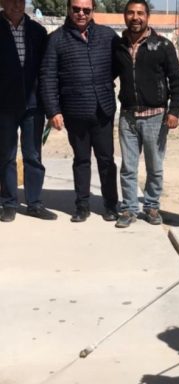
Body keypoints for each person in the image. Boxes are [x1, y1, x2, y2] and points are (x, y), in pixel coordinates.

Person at [40, 0, 118, 223]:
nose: (81, 14)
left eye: (86, 10)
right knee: (81, 160)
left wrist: (99, 85)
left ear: (93, 10)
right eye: (76, 9)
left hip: (103, 109)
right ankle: (82, 205)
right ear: (68, 10)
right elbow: (47, 77)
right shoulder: (56, 39)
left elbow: (116, 65)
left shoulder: (107, 35)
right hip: (75, 111)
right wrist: (53, 110)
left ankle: (111, 205)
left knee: (106, 160)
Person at [112, 0, 179, 229]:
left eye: (140, 13)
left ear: (148, 16)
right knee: (128, 167)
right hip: (128, 117)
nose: (136, 17)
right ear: (125, 16)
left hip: (156, 117)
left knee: (155, 166)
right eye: (131, 13)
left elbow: (177, 82)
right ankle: (130, 209)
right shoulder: (118, 46)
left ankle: (151, 206)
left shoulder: (162, 45)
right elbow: (108, 76)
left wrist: (174, 111)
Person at [0, 0, 57, 222]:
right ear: (3, 3)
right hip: (4, 105)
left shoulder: (37, 31)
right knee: (6, 155)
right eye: (10, 1)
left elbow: (47, 69)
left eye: (20, 1)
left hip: (33, 105)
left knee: (33, 155)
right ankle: (9, 202)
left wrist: (50, 104)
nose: (16, 5)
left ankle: (34, 203)